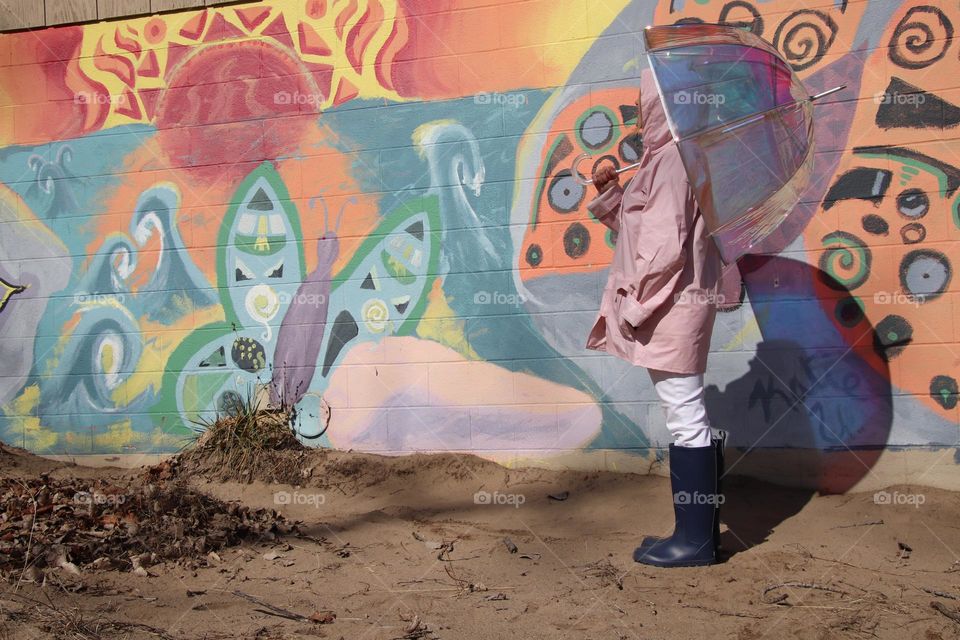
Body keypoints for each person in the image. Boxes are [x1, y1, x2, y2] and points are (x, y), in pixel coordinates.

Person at [585, 68, 726, 567]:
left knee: (686, 416)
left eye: (646, 98)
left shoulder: (672, 160)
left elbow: (662, 251)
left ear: (662, 101)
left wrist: (634, 306)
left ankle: (695, 542)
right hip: (673, 304)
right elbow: (643, 232)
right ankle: (696, 533)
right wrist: (610, 194)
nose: (639, 106)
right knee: (688, 414)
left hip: (668, 307)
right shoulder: (672, 157)